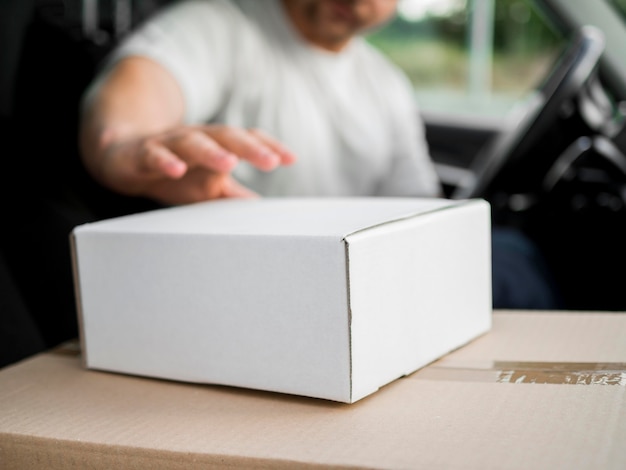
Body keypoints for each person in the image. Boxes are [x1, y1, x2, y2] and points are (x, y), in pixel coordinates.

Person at [79, 0, 562, 309]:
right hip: (255, 288)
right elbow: (134, 98)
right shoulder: (219, 25)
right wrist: (130, 145)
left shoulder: (385, 82)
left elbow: (416, 207)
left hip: (367, 279)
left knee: (509, 252)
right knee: (515, 258)